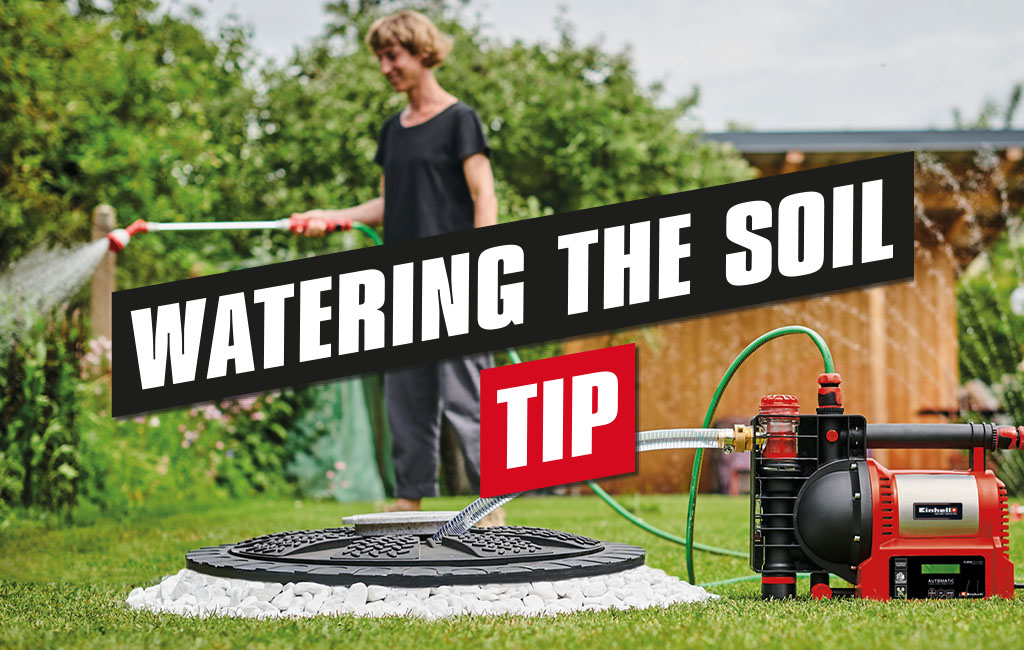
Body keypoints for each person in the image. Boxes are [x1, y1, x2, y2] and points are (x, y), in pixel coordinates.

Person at [292, 10, 498, 513]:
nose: (385, 67)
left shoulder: (459, 120)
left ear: (422, 52)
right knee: (406, 397)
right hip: (403, 282)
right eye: (380, 58)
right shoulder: (394, 131)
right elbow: (387, 205)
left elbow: (484, 196)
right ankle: (409, 499)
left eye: (393, 55)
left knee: (469, 397)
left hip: (455, 278)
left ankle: (492, 500)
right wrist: (333, 216)